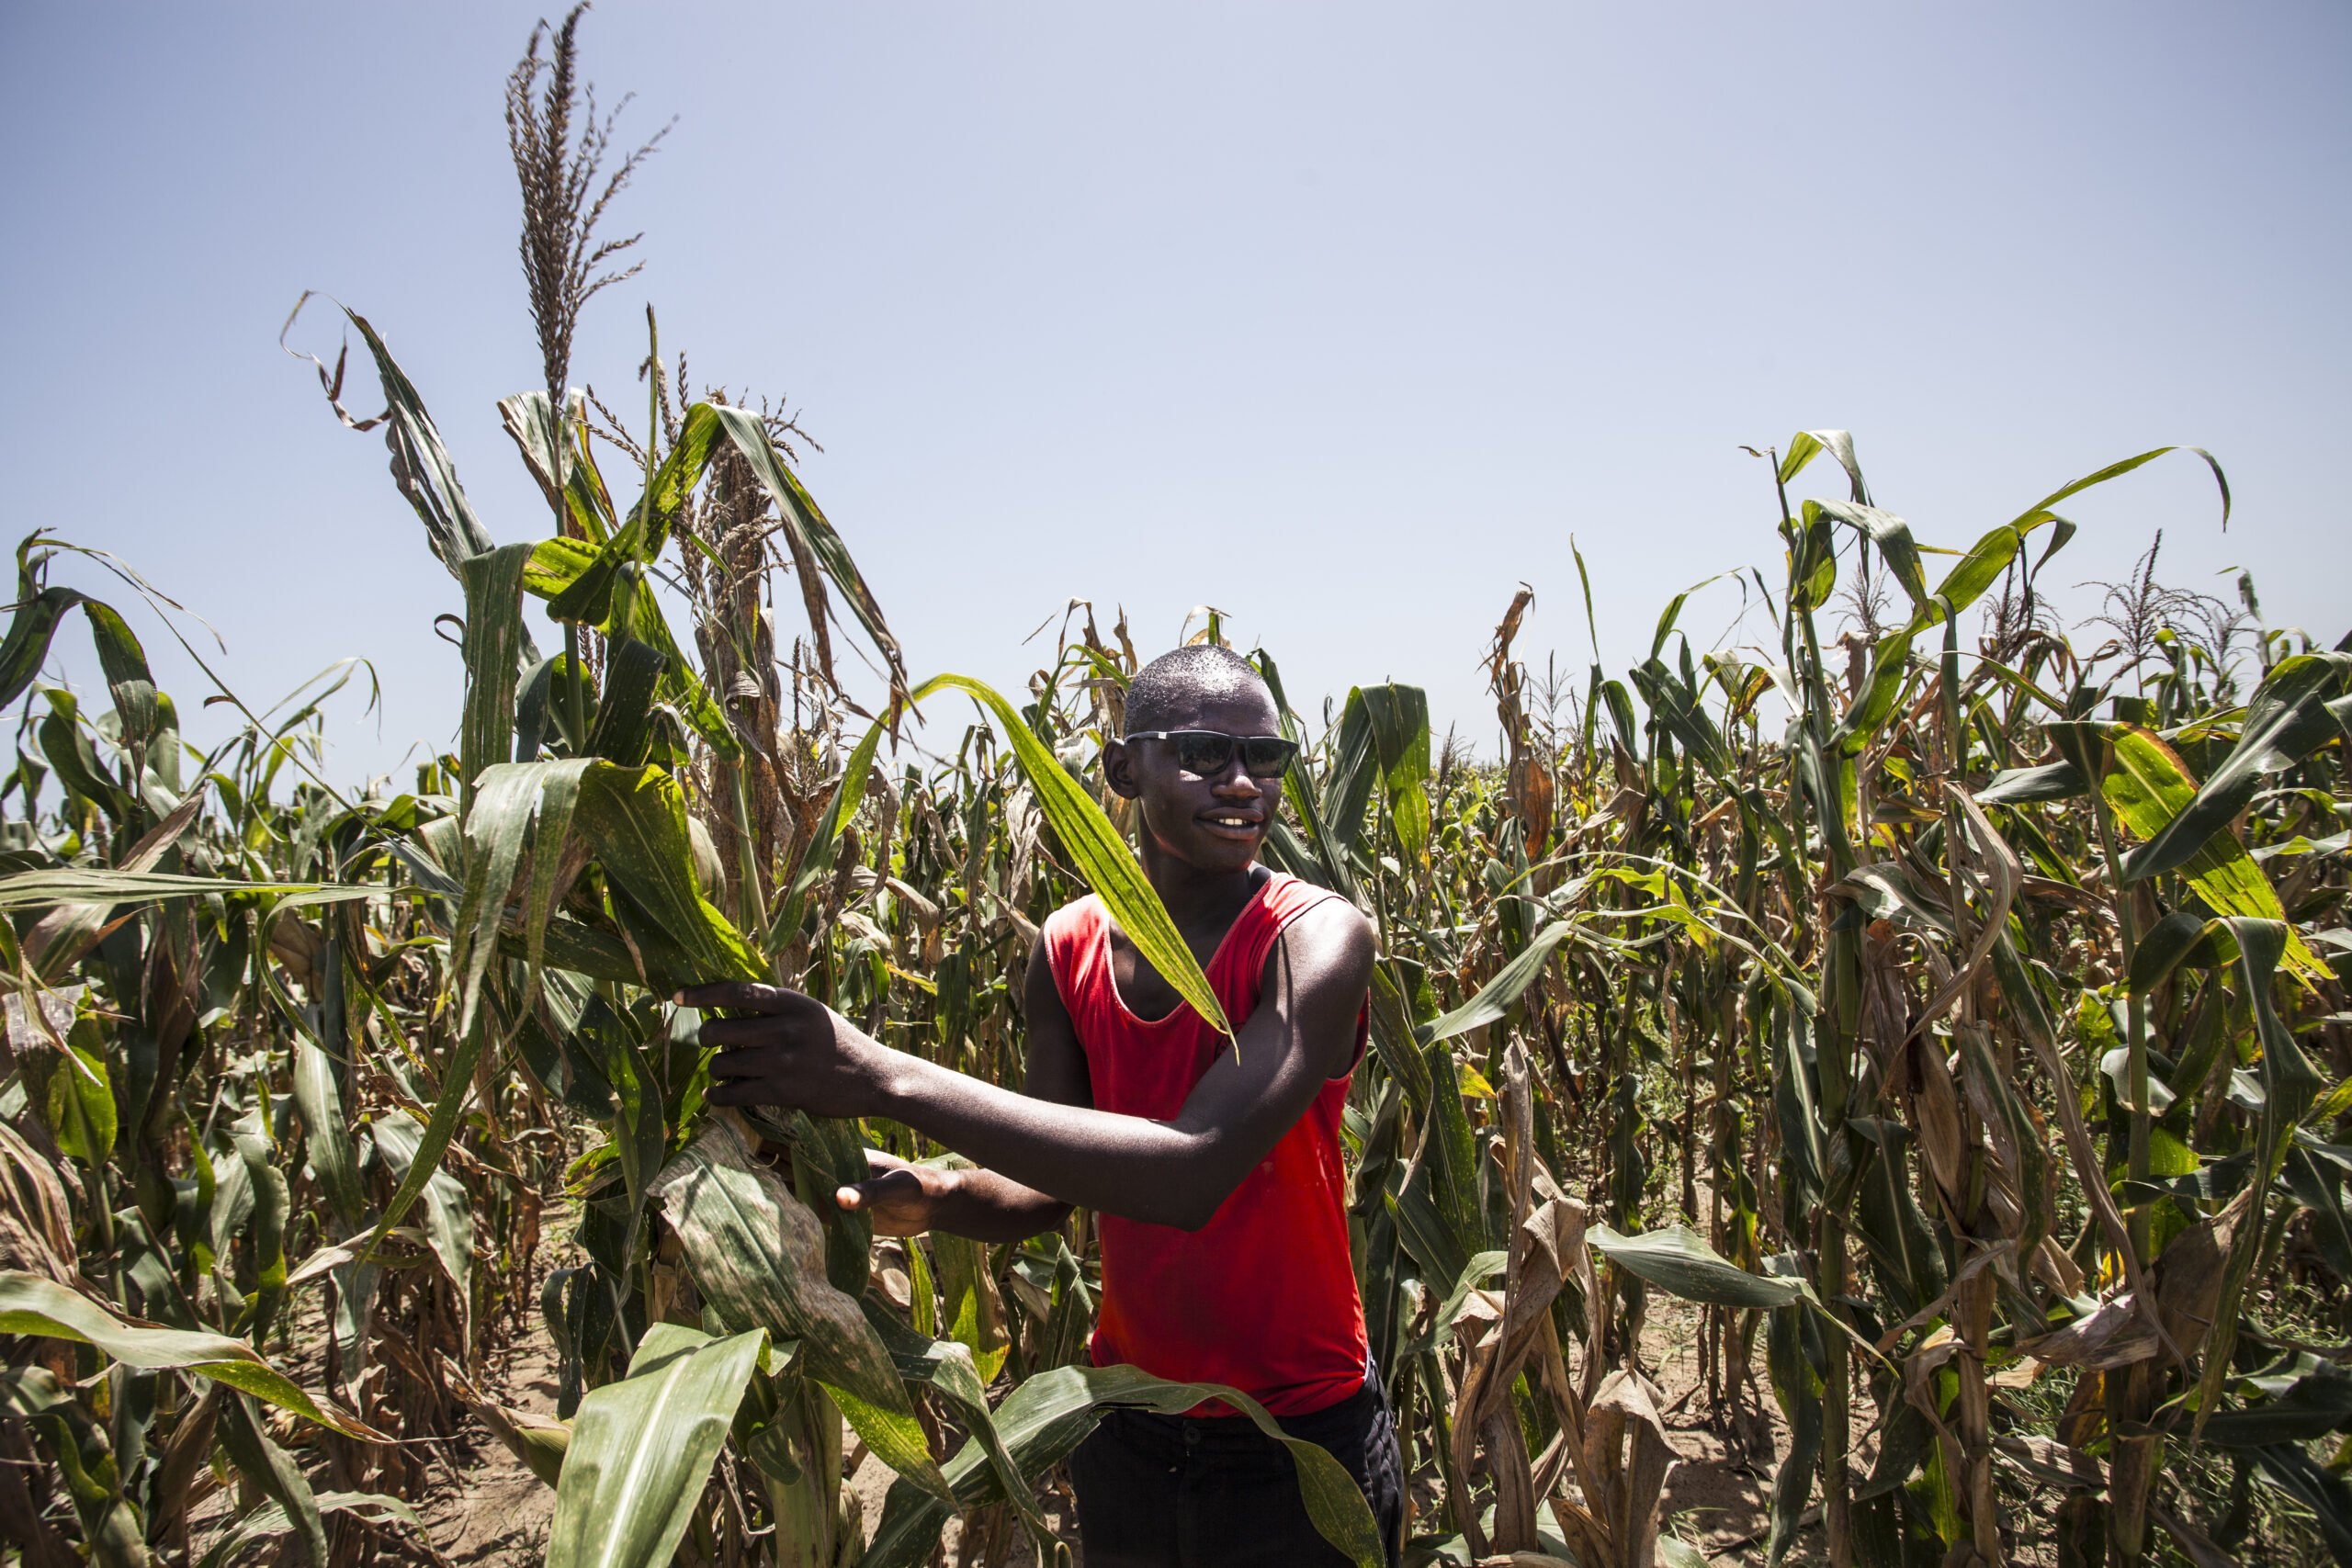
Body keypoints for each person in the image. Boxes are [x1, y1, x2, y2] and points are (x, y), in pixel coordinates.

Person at [679, 644, 1402, 1568]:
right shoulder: (1068, 947)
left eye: (1266, 758)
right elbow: (1048, 1191)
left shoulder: (1314, 938)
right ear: (1122, 769)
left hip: (1299, 1439)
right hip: (1130, 1426)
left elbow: (1191, 1171)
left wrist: (879, 1074)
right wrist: (938, 1196)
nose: (1242, 782)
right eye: (1203, 753)